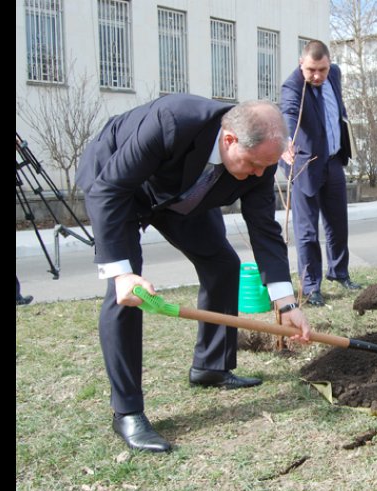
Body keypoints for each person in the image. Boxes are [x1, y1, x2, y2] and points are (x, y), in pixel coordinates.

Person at [76, 96, 312, 453]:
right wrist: (121, 274)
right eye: (252, 165)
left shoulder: (259, 162)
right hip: (120, 187)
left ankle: (211, 366)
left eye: (266, 167)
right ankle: (127, 411)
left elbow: (264, 228)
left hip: (185, 195)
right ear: (230, 139)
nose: (259, 175)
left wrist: (286, 302)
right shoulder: (172, 121)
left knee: (222, 264)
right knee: (128, 291)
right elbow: (111, 188)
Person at [279, 39, 361, 307]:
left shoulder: (334, 73)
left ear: (329, 64)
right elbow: (289, 114)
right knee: (307, 231)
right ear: (301, 63)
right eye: (311, 70)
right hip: (305, 165)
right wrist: (285, 142)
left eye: (322, 70)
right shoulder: (293, 86)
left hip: (334, 159)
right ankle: (311, 285)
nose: (316, 76)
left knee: (338, 223)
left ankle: (339, 272)